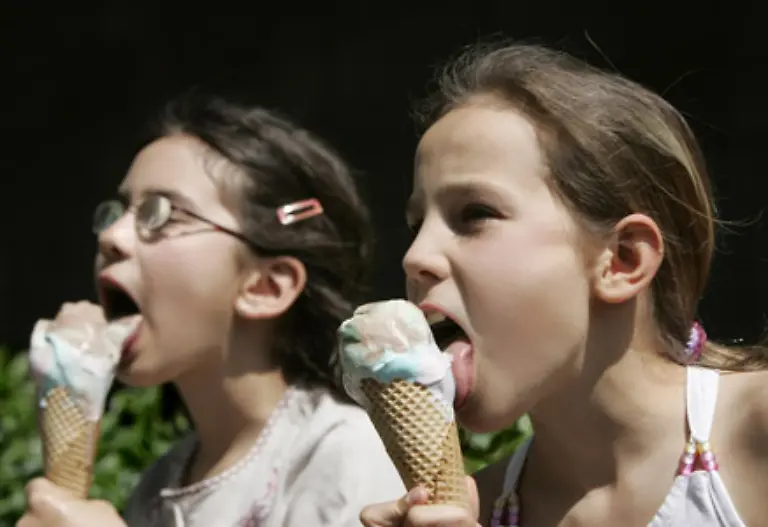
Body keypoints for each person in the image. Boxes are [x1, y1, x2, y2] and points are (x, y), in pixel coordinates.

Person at [362, 43, 768, 526]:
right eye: (416, 226)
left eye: (475, 214)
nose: (414, 258)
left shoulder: (755, 432)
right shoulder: (478, 505)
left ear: (622, 260)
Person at [18, 90, 404, 527]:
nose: (112, 237)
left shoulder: (344, 454)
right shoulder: (157, 487)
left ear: (265, 286)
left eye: (162, 213)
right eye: (120, 211)